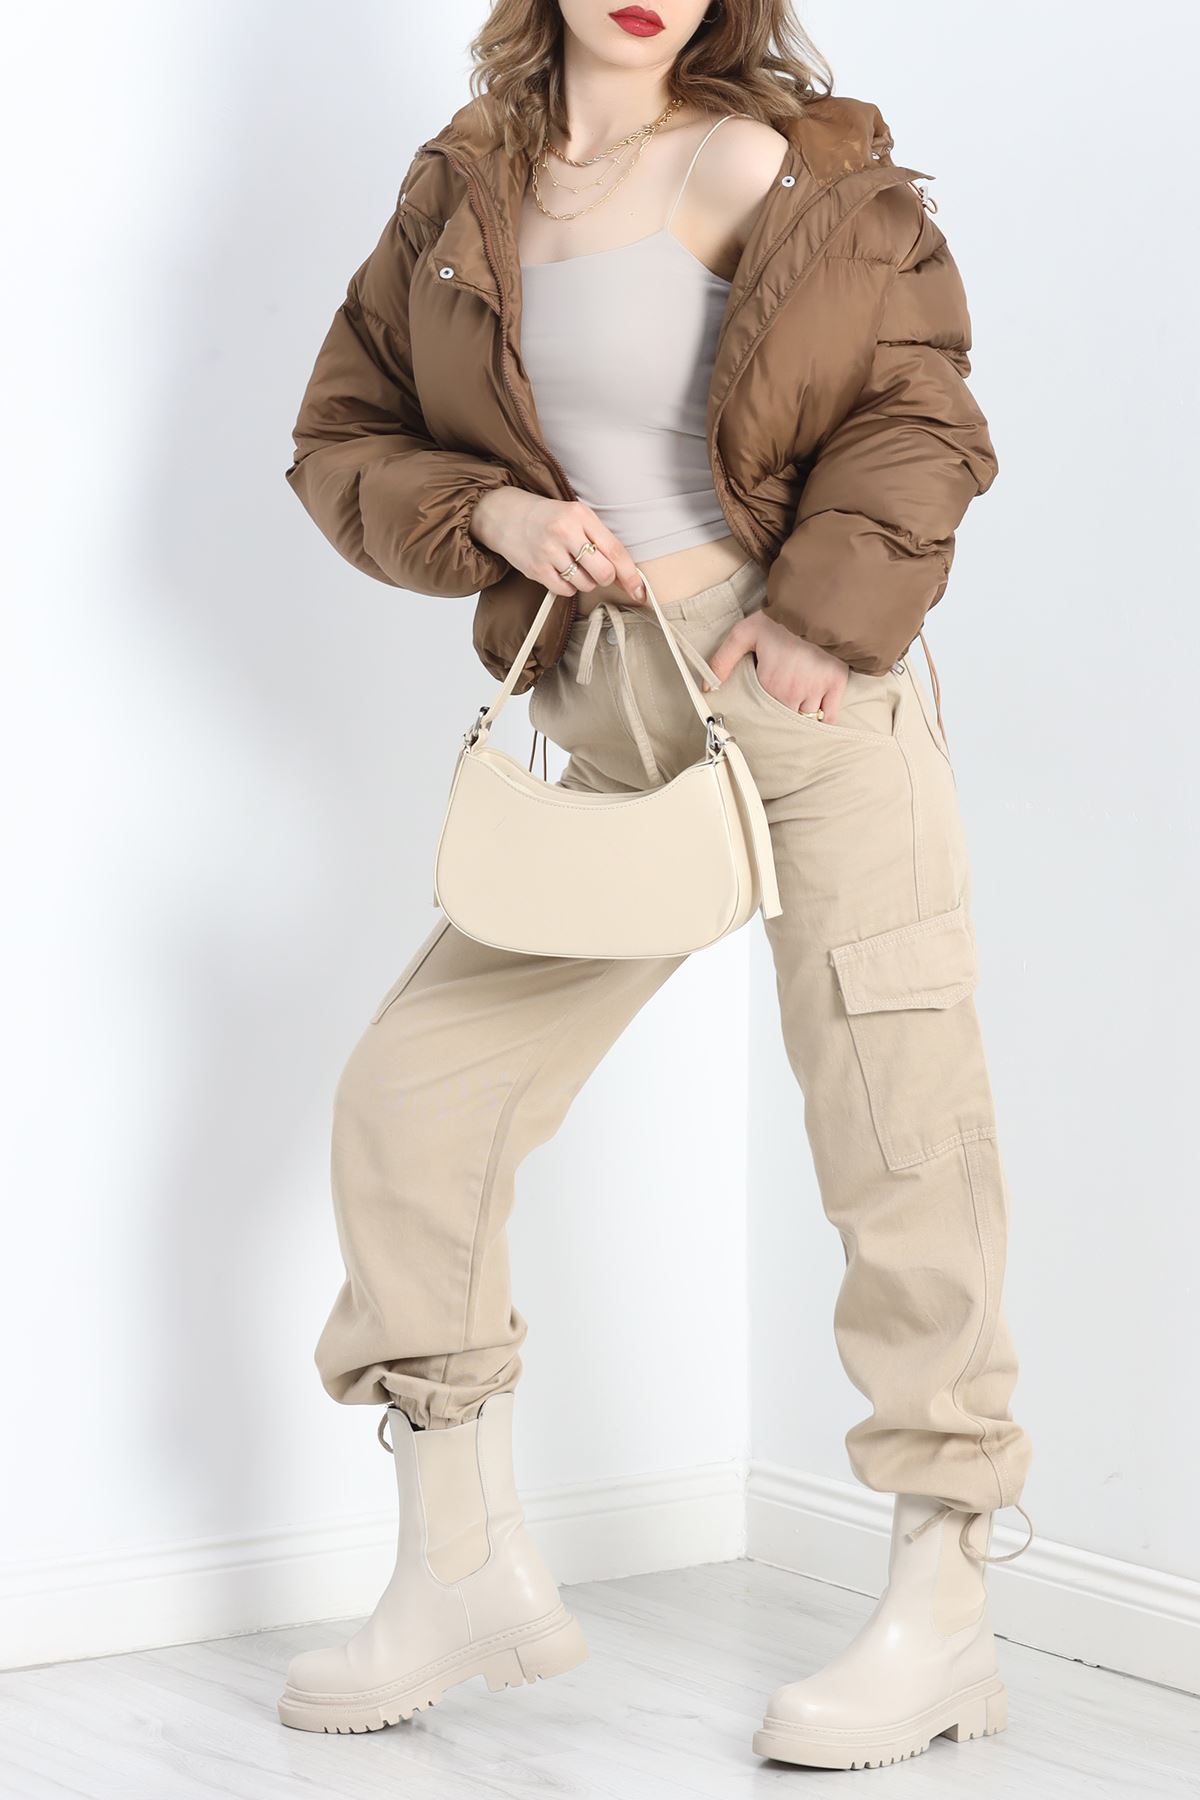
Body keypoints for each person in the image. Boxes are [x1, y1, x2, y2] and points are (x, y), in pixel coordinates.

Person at [278, 0, 1035, 1768]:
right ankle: (460, 1563)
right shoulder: (462, 198)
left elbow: (921, 412)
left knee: (897, 1130)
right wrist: (494, 517)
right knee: (413, 1101)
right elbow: (340, 437)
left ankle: (943, 1604)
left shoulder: (780, 163)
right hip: (610, 705)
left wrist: (823, 617)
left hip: (807, 692)